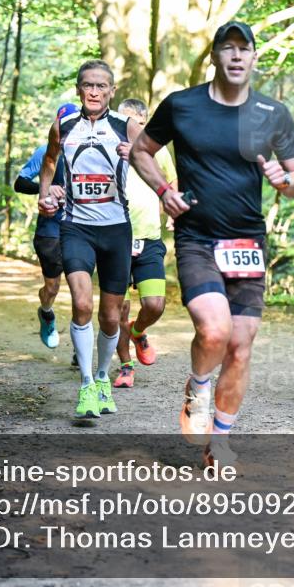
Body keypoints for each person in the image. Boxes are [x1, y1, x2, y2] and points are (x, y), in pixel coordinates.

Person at [129, 21, 294, 464]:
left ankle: (220, 442)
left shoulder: (273, 113)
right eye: (226, 48)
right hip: (197, 236)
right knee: (214, 330)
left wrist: (285, 180)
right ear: (213, 56)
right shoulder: (182, 106)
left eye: (243, 49)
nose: (235, 56)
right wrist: (164, 191)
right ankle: (198, 387)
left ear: (253, 58)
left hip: (247, 241)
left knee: (240, 345)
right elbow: (139, 151)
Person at [38, 60, 143, 419]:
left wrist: (137, 155)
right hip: (76, 226)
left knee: (111, 316)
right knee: (82, 304)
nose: (94, 92)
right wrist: (45, 190)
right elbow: (50, 162)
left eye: (101, 86)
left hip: (116, 228)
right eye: (87, 85)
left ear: (112, 91)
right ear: (79, 89)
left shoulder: (127, 126)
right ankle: (85, 385)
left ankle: (101, 377)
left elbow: (153, 160)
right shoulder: (64, 125)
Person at [111, 98, 177, 388]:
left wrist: (174, 212)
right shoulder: (107, 148)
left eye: (135, 122)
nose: (129, 128)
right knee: (118, 310)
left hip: (149, 237)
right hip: (115, 237)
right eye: (124, 122)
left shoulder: (158, 151)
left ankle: (139, 332)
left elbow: (171, 183)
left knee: (155, 305)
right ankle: (125, 366)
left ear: (145, 122)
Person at [14, 103, 78, 354]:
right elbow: (20, 184)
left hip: (79, 229)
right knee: (52, 288)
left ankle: (78, 349)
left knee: (79, 290)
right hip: (50, 230)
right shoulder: (44, 152)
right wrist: (47, 187)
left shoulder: (89, 151)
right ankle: (47, 314)